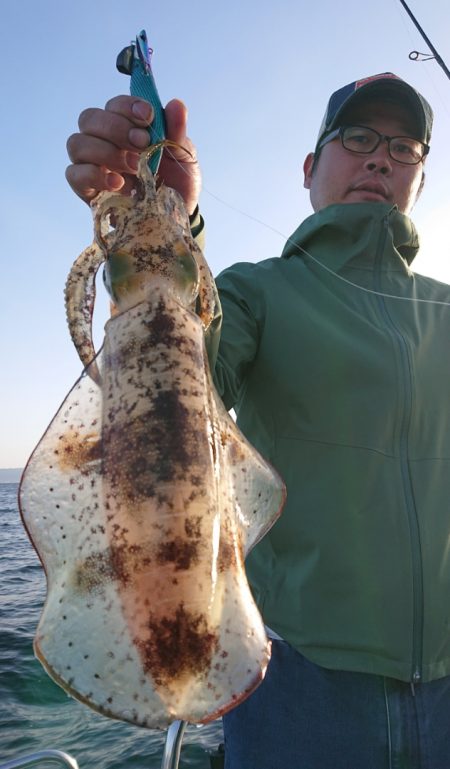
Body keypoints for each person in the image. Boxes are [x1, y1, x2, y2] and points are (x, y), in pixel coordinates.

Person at [66, 73, 450, 768]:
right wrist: (165, 227)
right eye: (357, 138)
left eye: (404, 148)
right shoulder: (255, 292)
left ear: (420, 177)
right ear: (308, 168)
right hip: (300, 682)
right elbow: (176, 377)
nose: (379, 158)